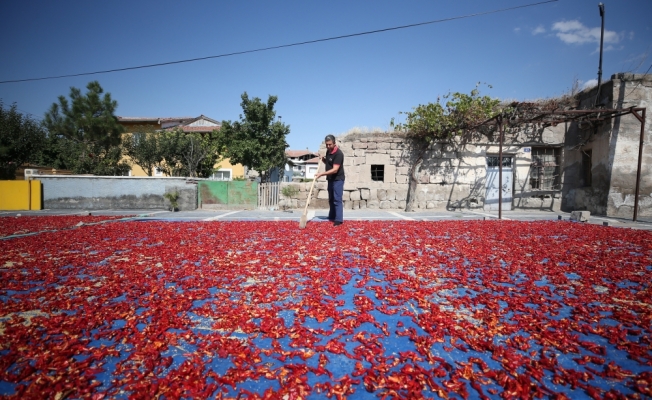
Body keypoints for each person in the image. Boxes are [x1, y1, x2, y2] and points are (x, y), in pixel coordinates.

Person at [315, 135, 345, 226]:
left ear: (334, 143)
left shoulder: (338, 154)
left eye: (330, 144)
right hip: (330, 179)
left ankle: (338, 220)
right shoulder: (328, 151)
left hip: (338, 179)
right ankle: (332, 216)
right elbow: (328, 163)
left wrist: (321, 174)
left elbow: (335, 169)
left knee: (337, 199)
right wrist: (323, 159)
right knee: (331, 199)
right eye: (326, 145)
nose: (328, 146)